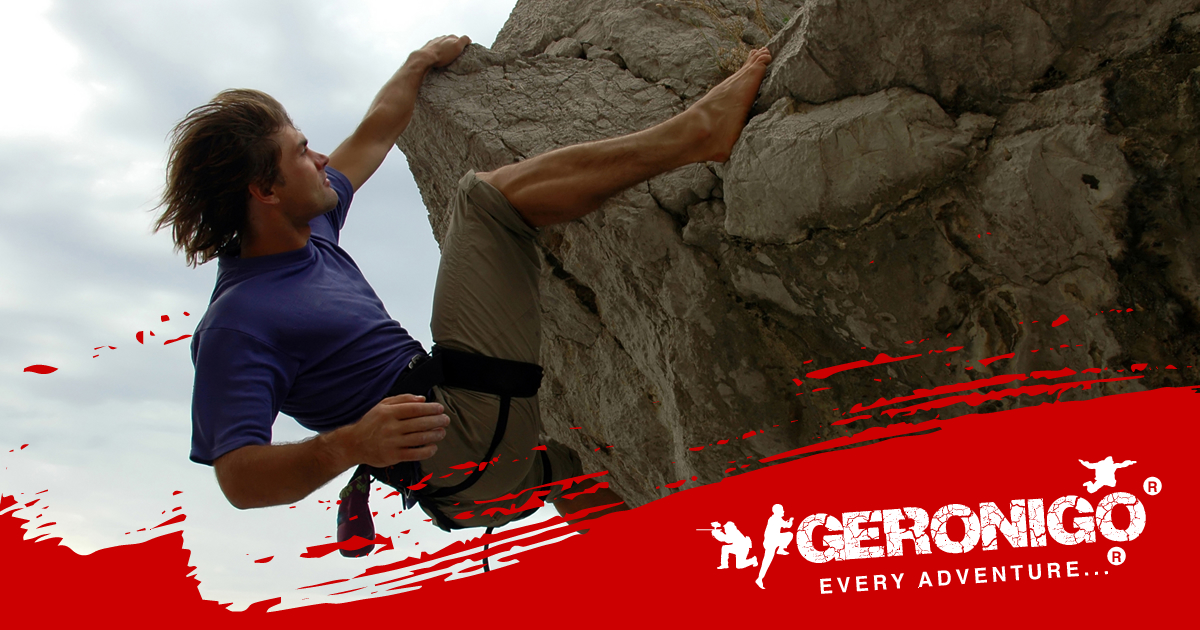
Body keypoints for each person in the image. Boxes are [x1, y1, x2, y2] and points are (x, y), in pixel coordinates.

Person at [157, 33, 773, 544]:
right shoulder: (238, 322)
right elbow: (238, 478)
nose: (320, 160)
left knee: (577, 472)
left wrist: (418, 62)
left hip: (471, 474)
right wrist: (348, 444)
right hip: (452, 445)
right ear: (264, 192)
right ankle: (697, 134)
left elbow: (374, 133)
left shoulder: (310, 227)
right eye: (300, 153)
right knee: (484, 202)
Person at [755, 504, 793, 589]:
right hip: (771, 542)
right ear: (777, 511)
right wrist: (791, 520)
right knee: (767, 561)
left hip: (773, 540)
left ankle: (780, 549)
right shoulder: (776, 518)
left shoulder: (774, 518)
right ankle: (759, 579)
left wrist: (786, 522)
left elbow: (783, 524)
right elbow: (788, 526)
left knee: (789, 535)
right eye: (782, 510)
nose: (783, 511)